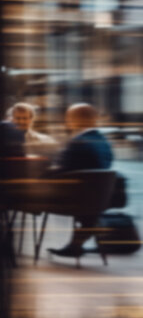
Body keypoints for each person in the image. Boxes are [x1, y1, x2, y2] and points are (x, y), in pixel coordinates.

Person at [47, 103, 114, 257]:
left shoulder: (77, 142)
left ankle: (77, 243)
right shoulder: (104, 142)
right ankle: (78, 242)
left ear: (77, 120)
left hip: (74, 199)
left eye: (68, 118)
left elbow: (60, 169)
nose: (66, 122)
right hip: (100, 199)